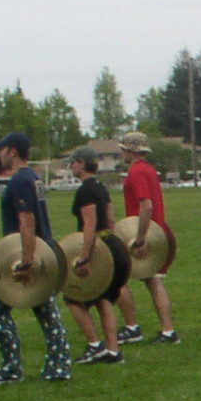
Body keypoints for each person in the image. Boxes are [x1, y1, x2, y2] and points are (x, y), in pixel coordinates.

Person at [0, 132, 71, 385]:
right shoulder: (34, 177)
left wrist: (26, 261)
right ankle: (59, 365)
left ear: (13, 152)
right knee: (46, 309)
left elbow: (27, 220)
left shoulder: (19, 180)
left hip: (29, 254)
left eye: (2, 149)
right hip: (45, 250)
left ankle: (12, 368)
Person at [114, 133, 178, 344]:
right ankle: (163, 330)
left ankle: (147, 329)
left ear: (131, 151)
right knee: (153, 280)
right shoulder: (148, 170)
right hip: (157, 230)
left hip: (147, 234)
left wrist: (140, 237)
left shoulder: (136, 172)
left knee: (133, 278)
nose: (121, 153)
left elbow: (146, 205)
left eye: (123, 149)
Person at [64, 146, 123, 366]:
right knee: (102, 299)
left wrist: (84, 256)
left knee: (72, 298)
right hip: (107, 244)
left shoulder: (85, 191)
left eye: (73, 162)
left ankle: (94, 344)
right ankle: (113, 350)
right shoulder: (100, 187)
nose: (71, 166)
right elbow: (109, 217)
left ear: (81, 163)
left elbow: (89, 224)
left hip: (95, 247)